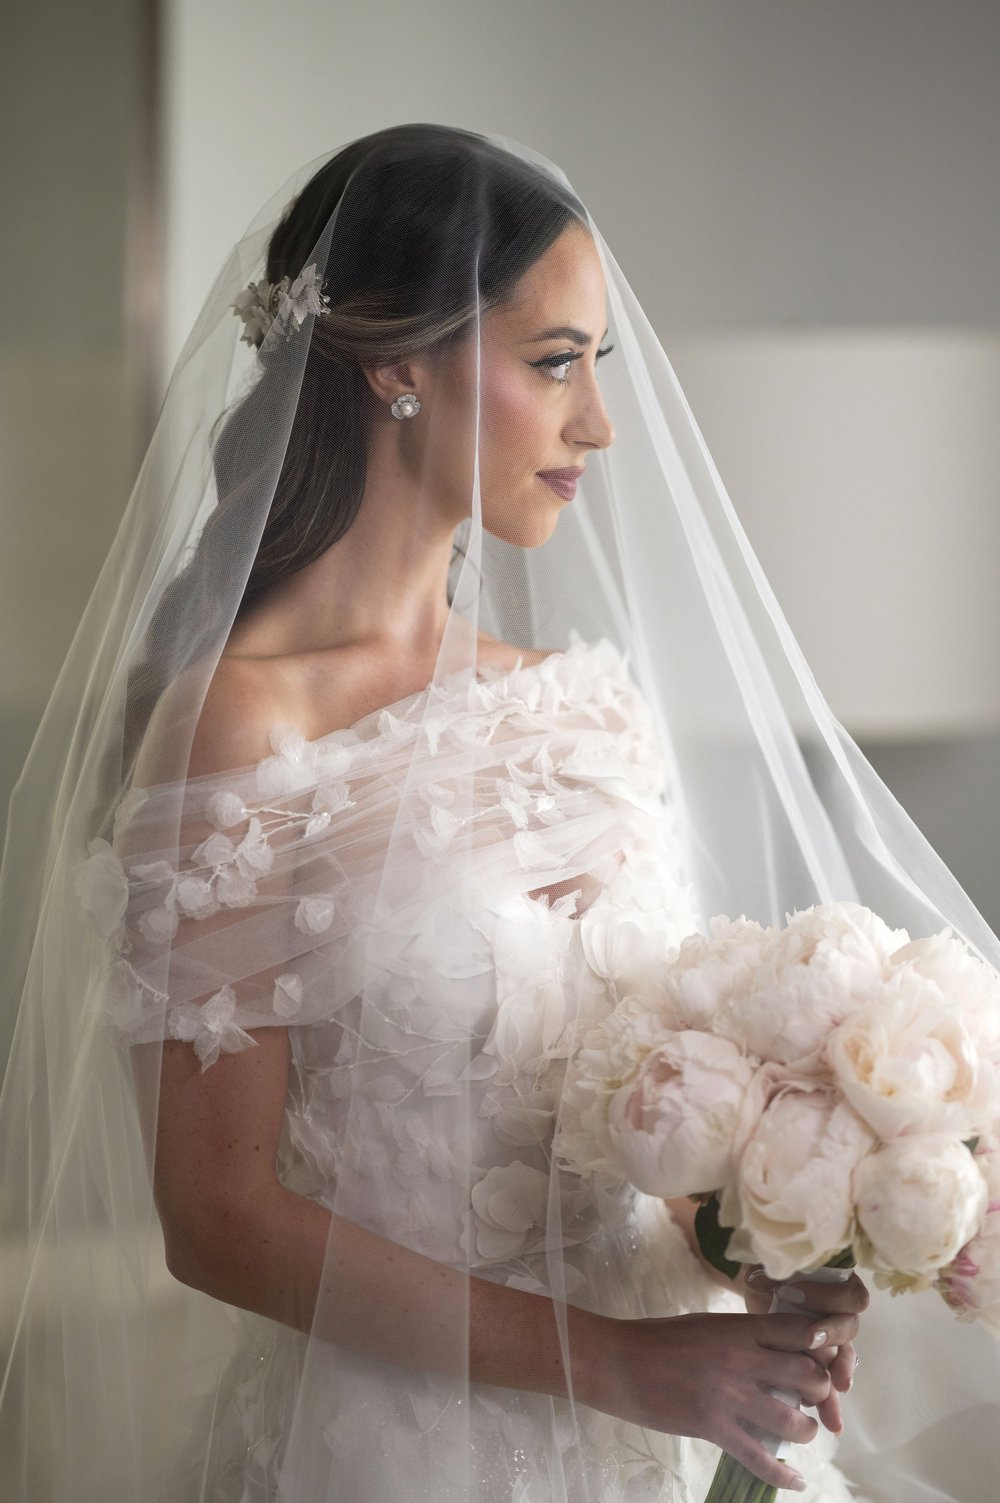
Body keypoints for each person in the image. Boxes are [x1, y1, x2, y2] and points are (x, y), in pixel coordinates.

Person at [1, 123, 997, 1503]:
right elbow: (216, 1217)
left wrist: (774, 1241)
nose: (598, 424)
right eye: (553, 363)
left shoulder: (587, 713)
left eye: (600, 366)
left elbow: (637, 1146)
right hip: (407, 1452)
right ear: (396, 364)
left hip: (676, 1429)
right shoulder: (241, 726)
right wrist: (617, 1363)